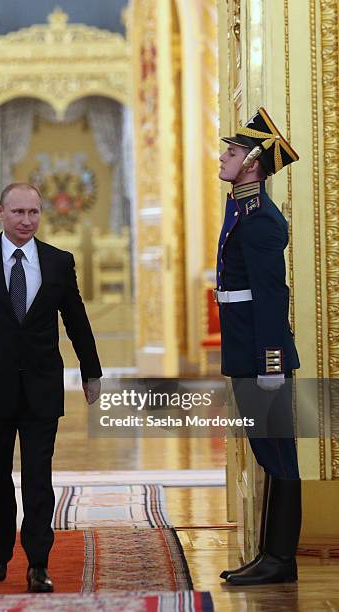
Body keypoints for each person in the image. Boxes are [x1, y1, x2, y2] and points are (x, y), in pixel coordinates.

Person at [0, 182, 102, 592]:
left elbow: (77, 321)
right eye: (18, 213)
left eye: (34, 213)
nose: (27, 220)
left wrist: (91, 371)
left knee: (37, 477)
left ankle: (38, 563)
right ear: (0, 212)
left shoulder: (58, 262)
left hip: (41, 389)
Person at [215, 108, 301, 585]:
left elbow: (272, 297)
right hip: (246, 349)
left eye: (231, 151)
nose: (223, 158)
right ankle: (272, 555)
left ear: (252, 161)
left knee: (278, 455)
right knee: (267, 452)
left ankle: (280, 560)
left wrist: (270, 363)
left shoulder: (262, 219)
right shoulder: (241, 207)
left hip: (260, 355)